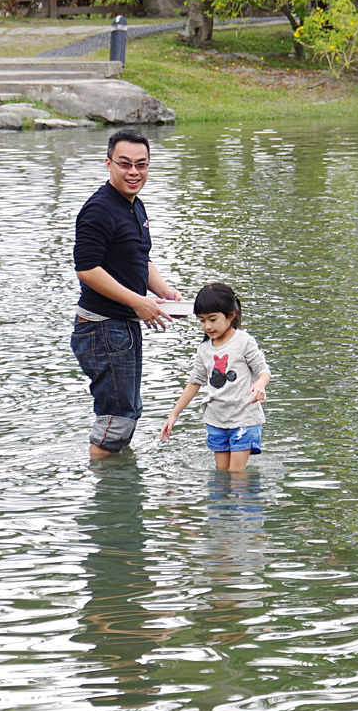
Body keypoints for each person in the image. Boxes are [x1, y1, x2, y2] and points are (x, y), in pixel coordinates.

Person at [72, 128, 182, 460]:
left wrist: (163, 292)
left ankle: (120, 492)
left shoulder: (134, 205)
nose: (133, 172)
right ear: (108, 164)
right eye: (125, 164)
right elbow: (87, 269)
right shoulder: (99, 209)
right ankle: (107, 498)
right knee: (117, 416)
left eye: (141, 164)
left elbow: (138, 258)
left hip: (122, 325)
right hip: (102, 327)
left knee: (128, 411)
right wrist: (137, 301)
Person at [160, 283, 271, 472]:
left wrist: (260, 384)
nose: (207, 326)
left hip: (244, 417)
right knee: (222, 473)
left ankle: (245, 501)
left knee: (236, 472)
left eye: (212, 319)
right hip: (216, 420)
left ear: (231, 315)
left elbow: (263, 370)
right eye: (202, 320)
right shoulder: (204, 350)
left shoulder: (243, 341)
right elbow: (194, 383)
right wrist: (173, 415)